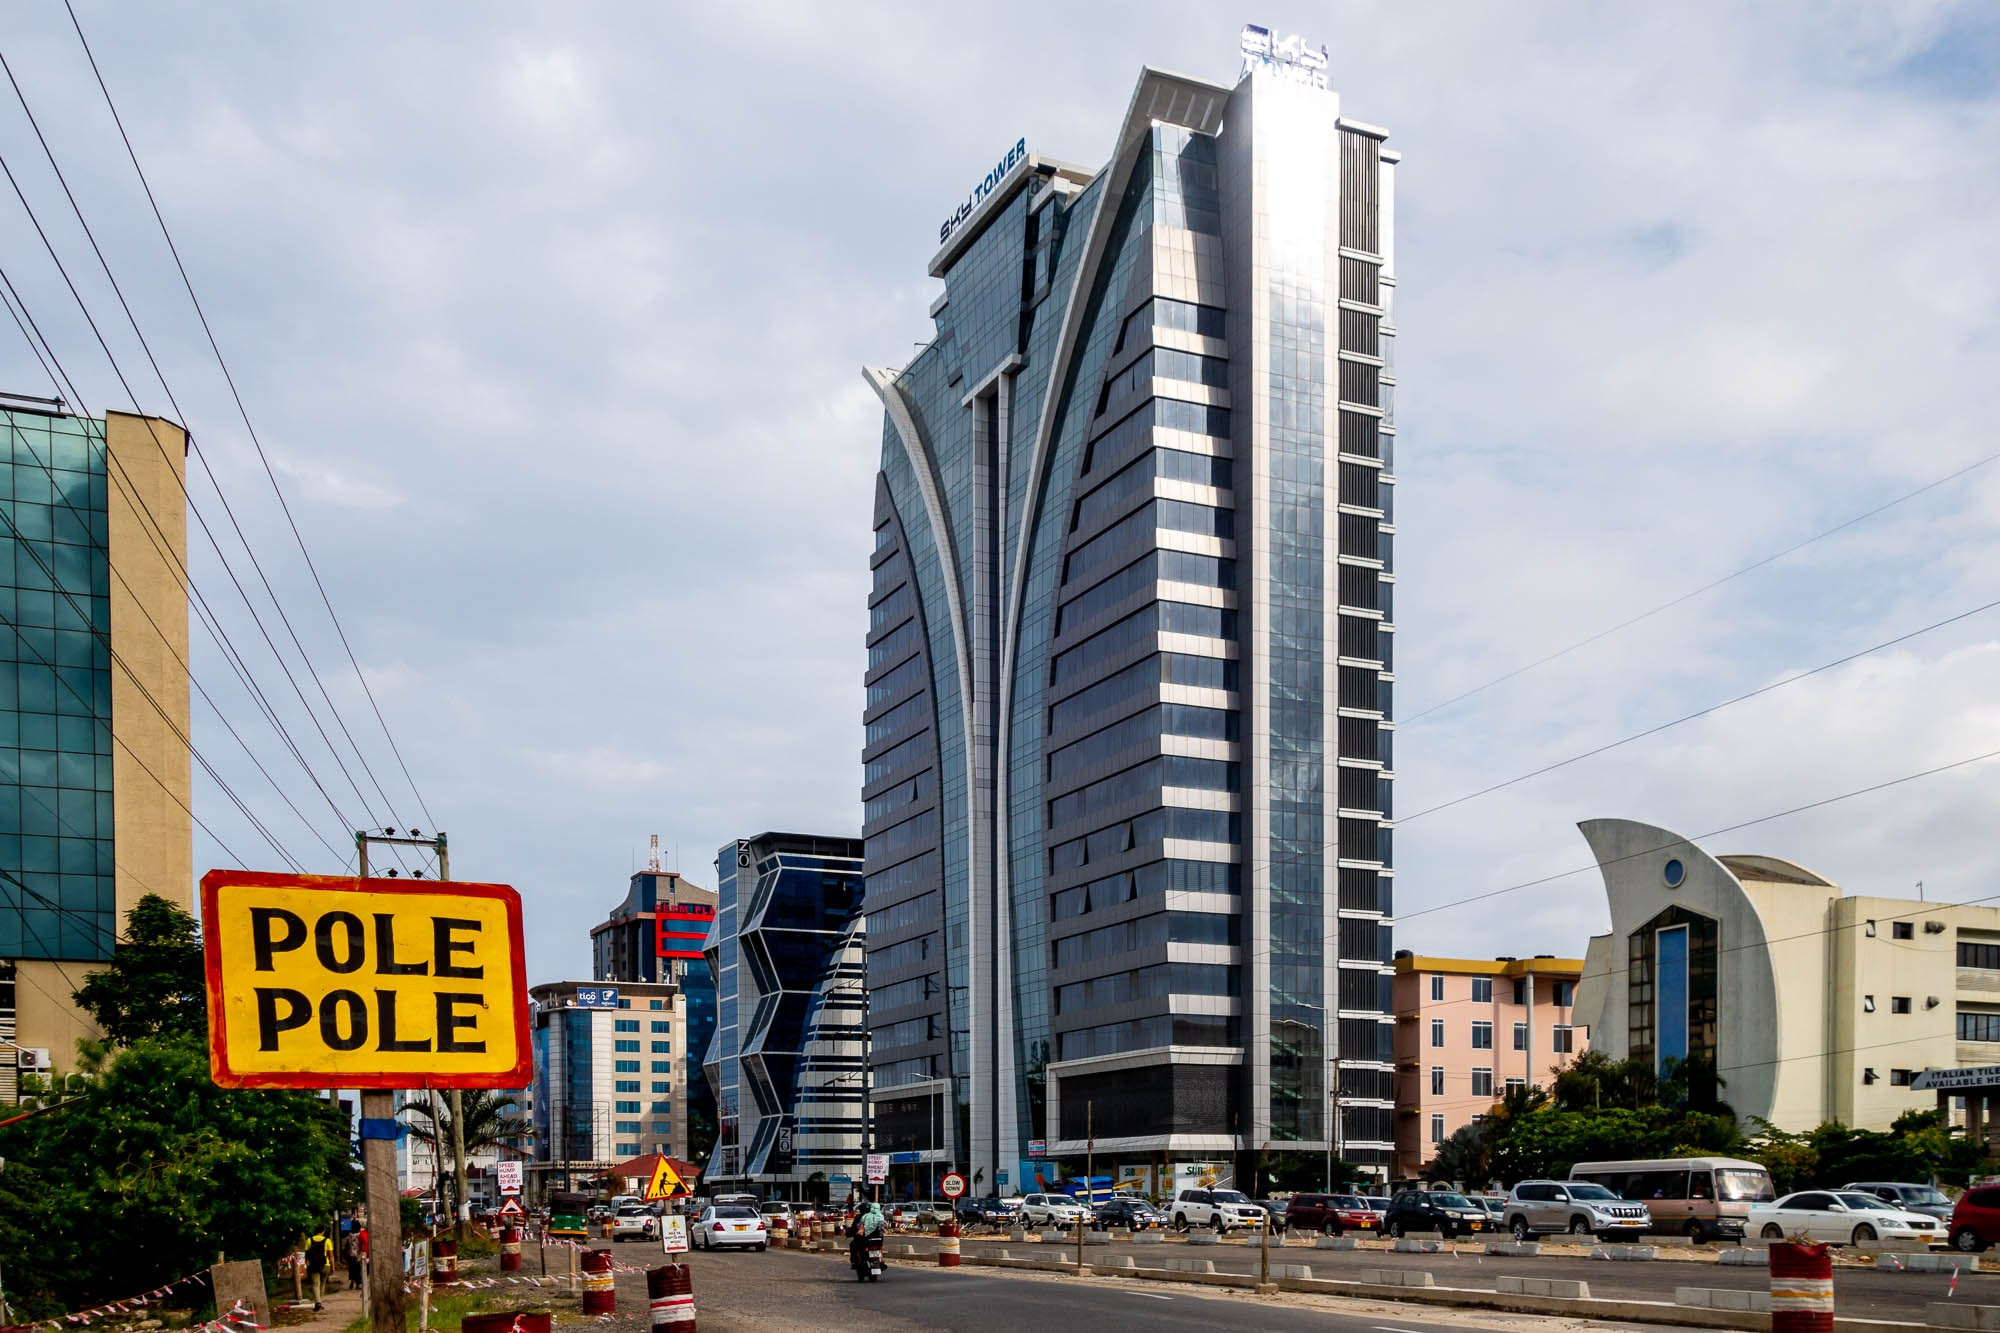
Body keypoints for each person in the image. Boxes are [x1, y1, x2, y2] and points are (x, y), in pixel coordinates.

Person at [303, 1226, 335, 1310]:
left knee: (315, 1284)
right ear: (323, 1231)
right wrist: (333, 1267)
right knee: (323, 1283)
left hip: (313, 1265)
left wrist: (306, 1265)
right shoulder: (327, 1240)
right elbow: (331, 1255)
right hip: (325, 1265)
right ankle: (320, 1301)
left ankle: (318, 1302)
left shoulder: (309, 1240)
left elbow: (306, 1255)